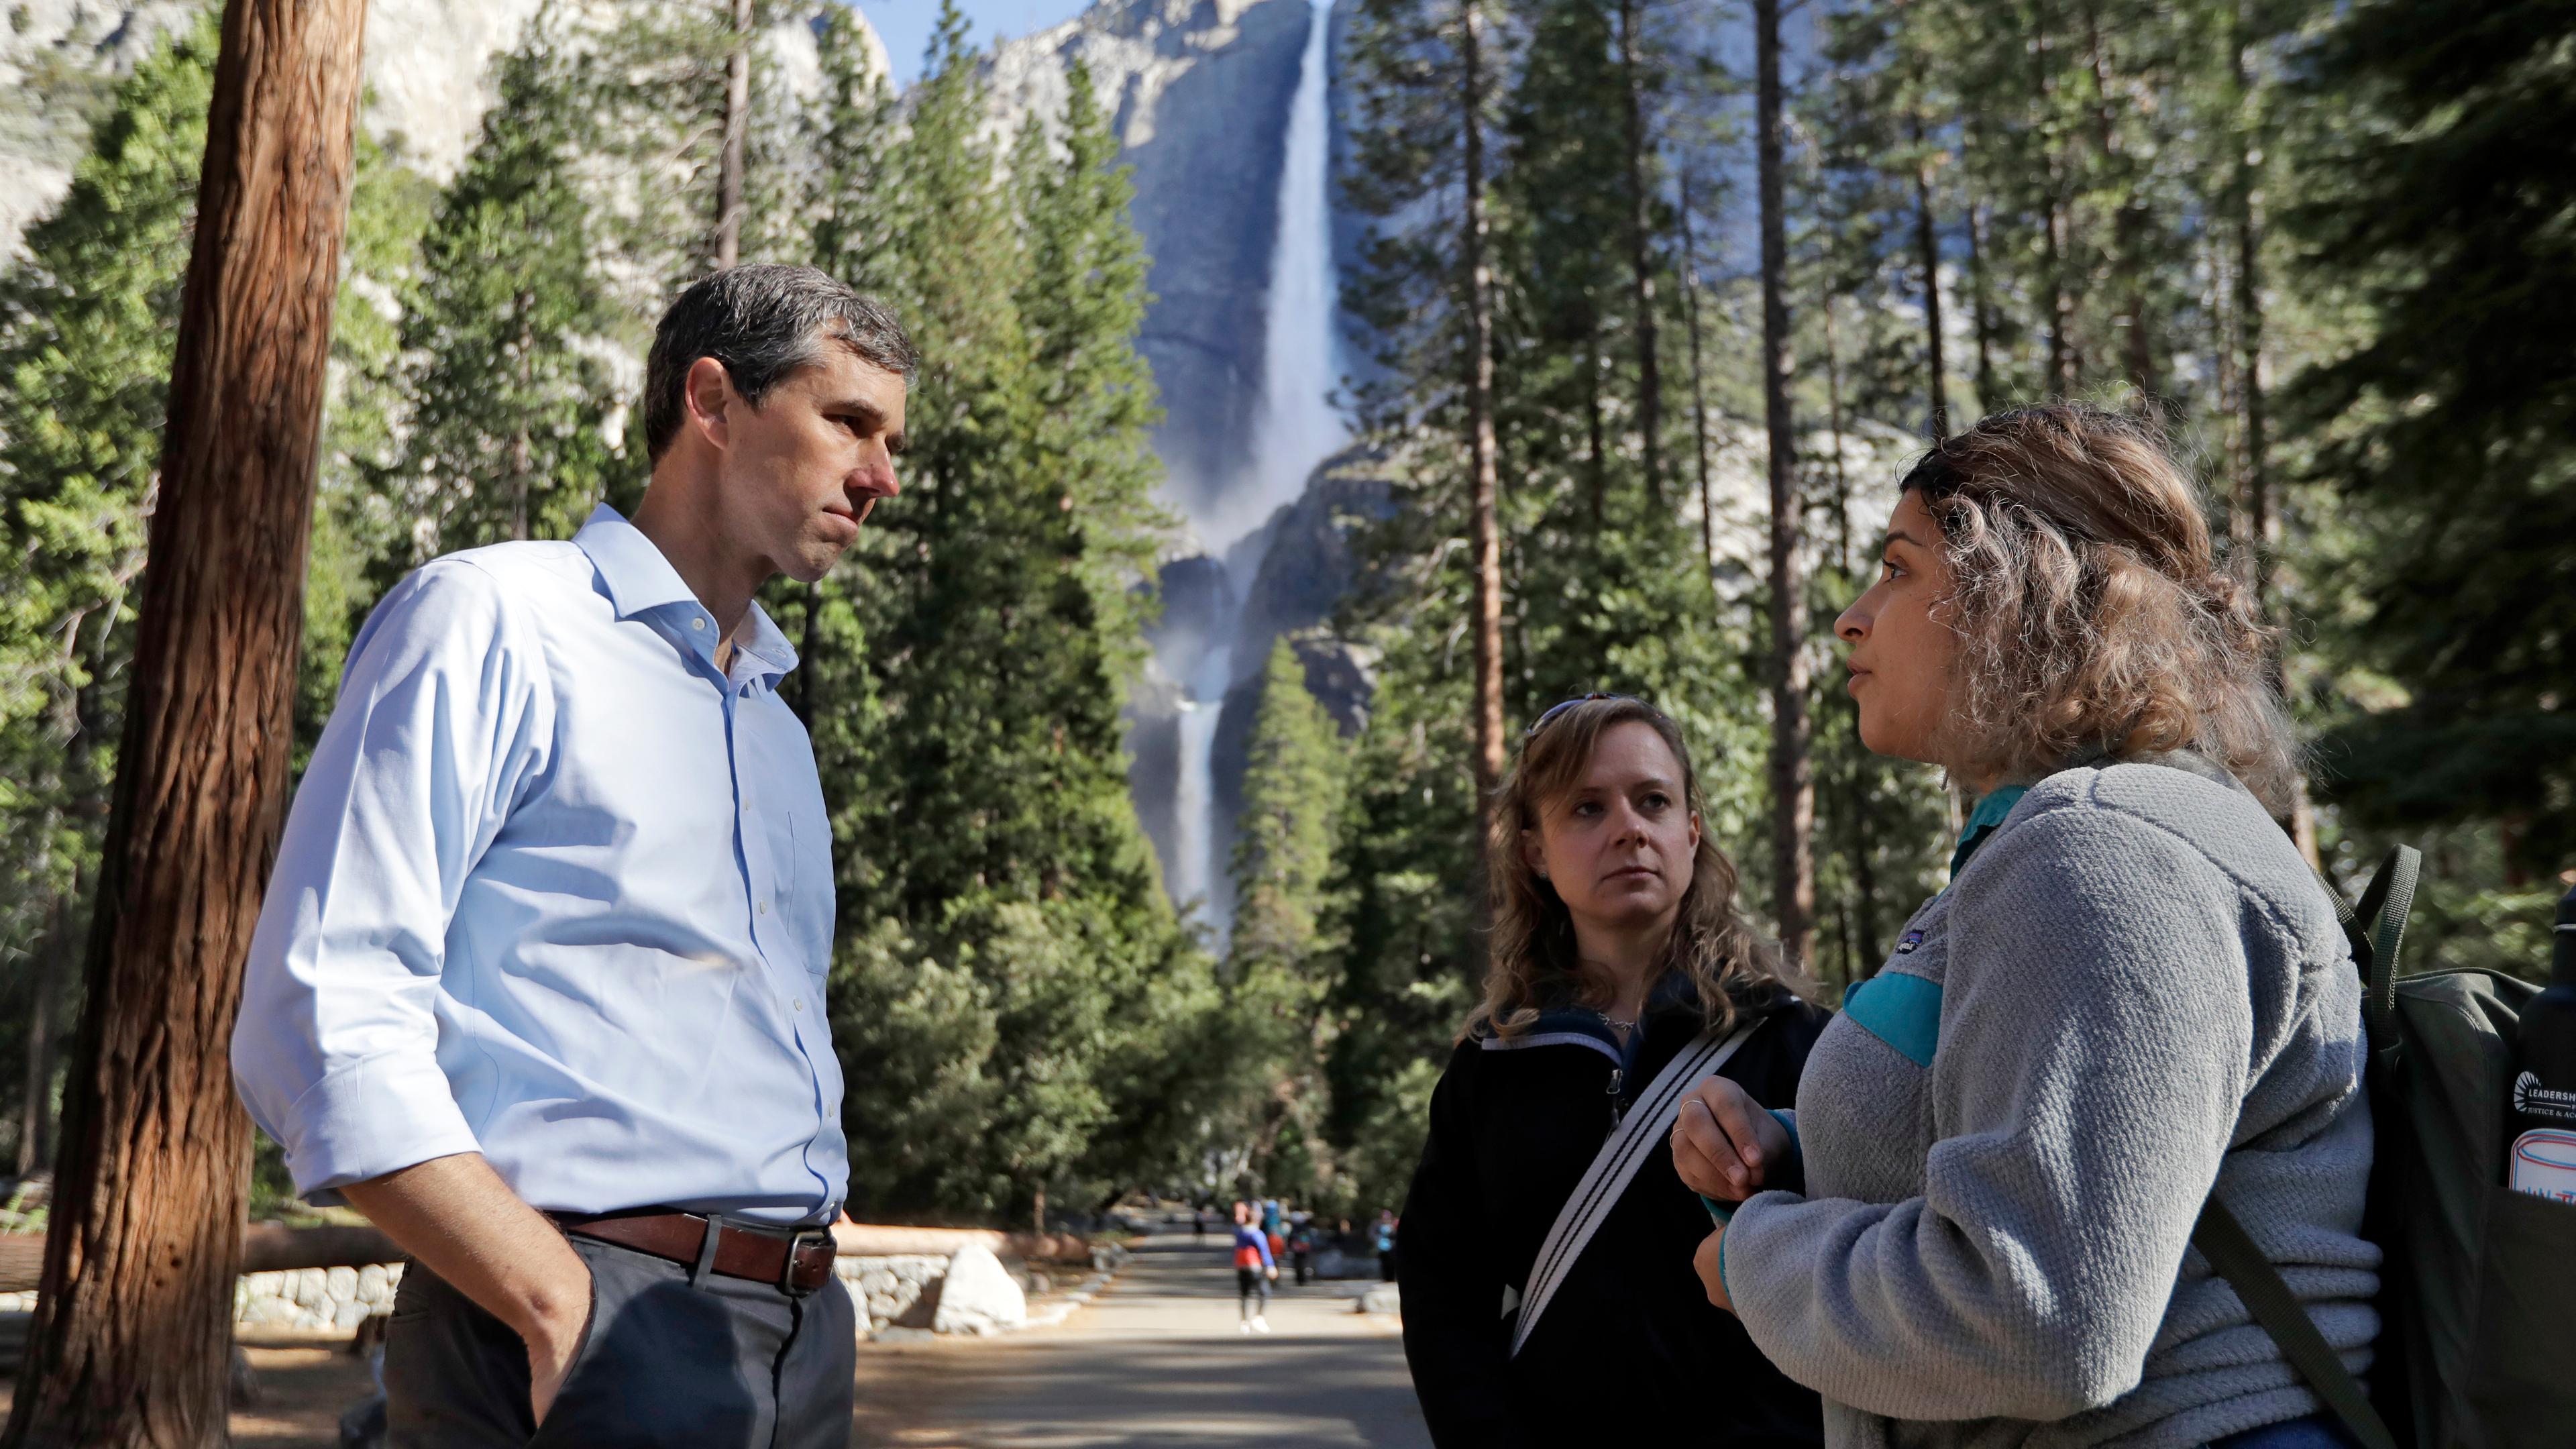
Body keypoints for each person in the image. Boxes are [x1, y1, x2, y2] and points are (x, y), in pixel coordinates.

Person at [231, 265, 916, 1449]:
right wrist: (558, 1307)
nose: (882, 476)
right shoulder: (494, 619)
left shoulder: (776, 728)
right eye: (847, 420)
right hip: (582, 1317)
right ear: (711, 401)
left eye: (892, 439)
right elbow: (317, 1010)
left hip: (801, 1338)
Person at [1674, 405, 2379, 1449]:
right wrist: (1790, 1161)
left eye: (1900, 569)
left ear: (2018, 594)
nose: (1853, 618)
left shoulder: (2103, 849)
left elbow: (2043, 1316)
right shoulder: (2077, 840)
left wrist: (1756, 1258)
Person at [1398, 696, 1828, 1447]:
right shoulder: (1491, 1067)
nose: (1629, 828)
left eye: (1653, 801)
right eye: (1587, 809)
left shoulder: (1792, 1040)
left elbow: (1837, 1275)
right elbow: (1443, 1297)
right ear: (1534, 849)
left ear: (1690, 834)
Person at [1231, 1201, 1277, 1334]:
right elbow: (1264, 1251)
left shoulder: (1240, 1233)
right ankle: (1258, 1317)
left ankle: (1244, 1322)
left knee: (1244, 1294)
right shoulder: (1257, 1234)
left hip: (1241, 1266)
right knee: (1265, 1292)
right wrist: (1270, 1266)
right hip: (1255, 1267)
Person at [1372, 1209, 1398, 1283]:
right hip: (1382, 1248)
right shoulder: (1377, 1224)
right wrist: (1377, 1240)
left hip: (1392, 1248)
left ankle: (1392, 1278)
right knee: (1384, 1263)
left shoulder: (1393, 1225)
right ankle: (1385, 1278)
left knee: (1392, 1263)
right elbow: (1372, 1234)